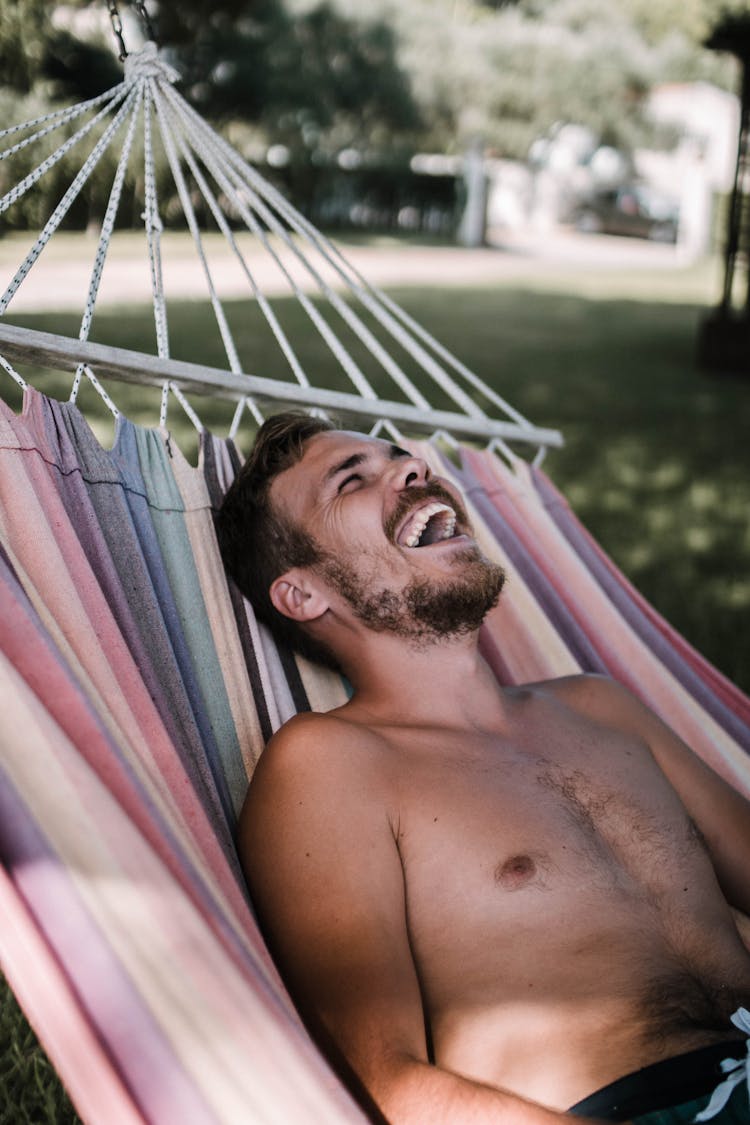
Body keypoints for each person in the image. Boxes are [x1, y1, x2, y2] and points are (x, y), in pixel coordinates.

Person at [216, 411, 750, 1124]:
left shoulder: (599, 705)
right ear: (304, 592)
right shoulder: (327, 767)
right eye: (354, 480)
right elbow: (385, 1081)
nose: (413, 470)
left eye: (403, 459)